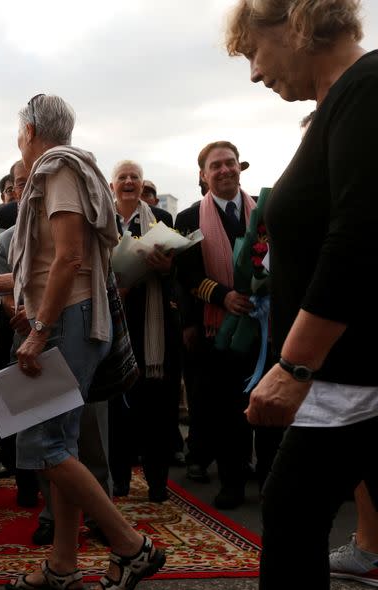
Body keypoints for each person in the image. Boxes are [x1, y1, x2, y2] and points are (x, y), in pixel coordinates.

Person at [0, 94, 165, 590]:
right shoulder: (74, 169)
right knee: (63, 444)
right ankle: (62, 565)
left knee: (44, 443)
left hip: (66, 322)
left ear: (31, 130)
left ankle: (131, 546)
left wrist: (37, 330)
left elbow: (69, 258)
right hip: (73, 316)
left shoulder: (57, 169)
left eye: (19, 132)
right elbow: (52, 260)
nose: (19, 141)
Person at [225, 1, 378, 587]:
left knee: (290, 514)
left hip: (350, 373)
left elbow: (359, 237)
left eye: (254, 52)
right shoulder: (342, 102)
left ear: (292, 24)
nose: (257, 73)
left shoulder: (367, 88)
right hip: (349, 373)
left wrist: (294, 365)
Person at [174, 140, 261, 509]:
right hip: (218, 326)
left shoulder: (264, 210)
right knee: (226, 410)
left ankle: (270, 479)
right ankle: (232, 481)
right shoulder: (189, 218)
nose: (225, 170)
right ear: (203, 174)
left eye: (230, 163)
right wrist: (224, 295)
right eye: (216, 166)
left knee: (264, 404)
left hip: (262, 323)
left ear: (240, 167)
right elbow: (188, 273)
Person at [108, 160, 180, 503]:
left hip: (152, 324)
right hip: (111, 322)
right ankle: (119, 479)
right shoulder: (101, 221)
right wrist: (115, 286)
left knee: (157, 408)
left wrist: (166, 270)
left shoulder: (160, 221)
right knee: (117, 408)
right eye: (122, 177)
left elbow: (177, 273)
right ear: (111, 186)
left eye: (134, 177)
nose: (128, 181)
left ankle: (157, 482)